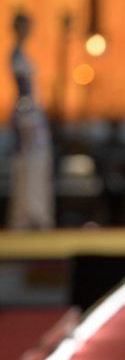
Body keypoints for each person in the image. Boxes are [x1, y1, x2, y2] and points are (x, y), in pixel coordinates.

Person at [7, 12, 55, 230]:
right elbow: (24, 91)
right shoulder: (16, 54)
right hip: (28, 118)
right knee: (28, 164)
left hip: (32, 116)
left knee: (36, 163)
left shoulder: (22, 53)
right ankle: (28, 213)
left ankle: (36, 212)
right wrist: (26, 118)